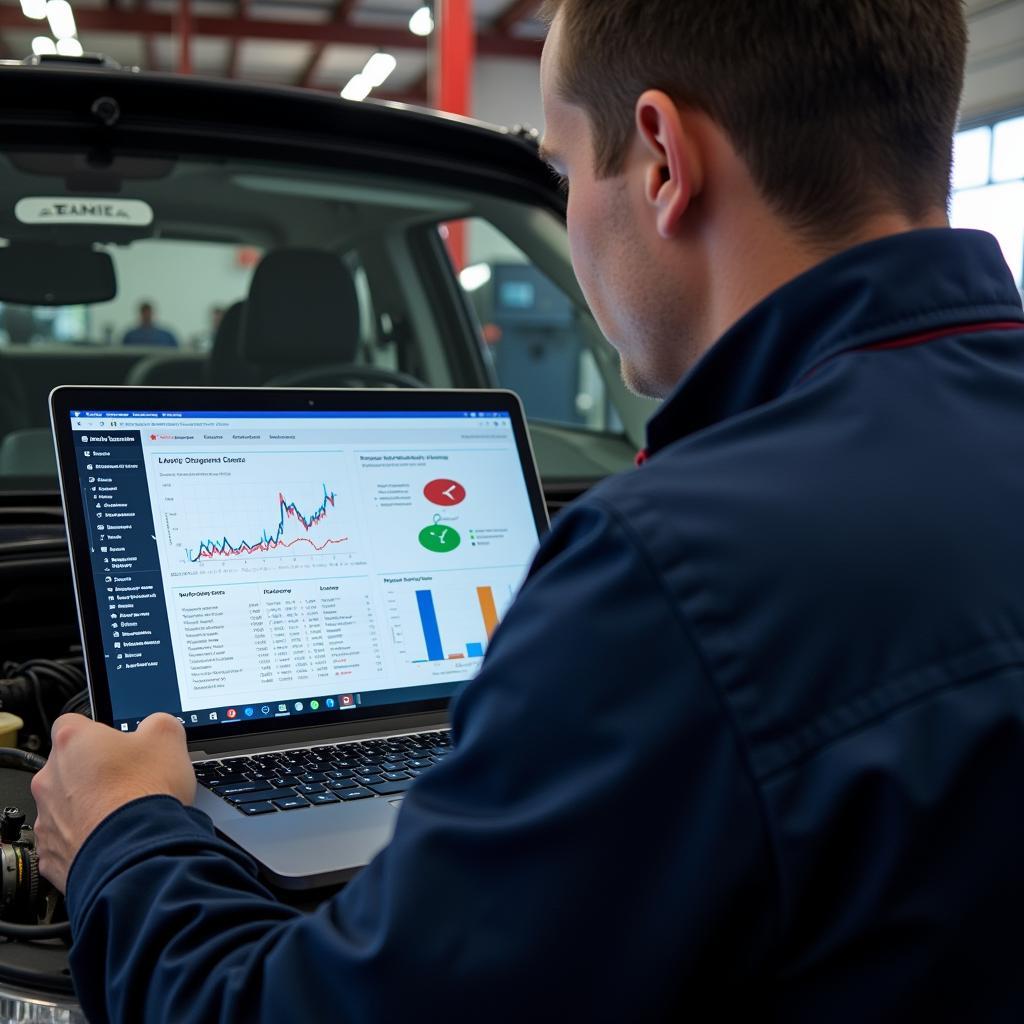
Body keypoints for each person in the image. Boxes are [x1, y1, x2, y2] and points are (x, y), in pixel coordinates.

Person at [31, 1, 1024, 1020]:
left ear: (661, 160)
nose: (571, 208)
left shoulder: (671, 570)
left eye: (560, 170)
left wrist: (123, 827)